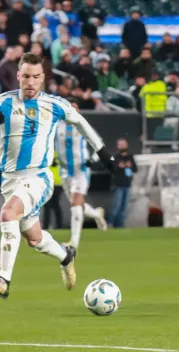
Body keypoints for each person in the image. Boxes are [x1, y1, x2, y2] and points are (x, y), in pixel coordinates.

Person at [0, 52, 115, 299]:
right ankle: (66, 256)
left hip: (39, 179)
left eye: (36, 77)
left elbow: (81, 123)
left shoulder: (54, 105)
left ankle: (3, 279)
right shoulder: (4, 103)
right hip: (8, 181)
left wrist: (103, 152)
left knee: (7, 214)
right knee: (33, 238)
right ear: (18, 76)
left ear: (43, 78)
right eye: (26, 76)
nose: (30, 82)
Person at [55, 99, 108, 250]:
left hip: (81, 169)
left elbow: (98, 142)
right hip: (64, 171)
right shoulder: (56, 126)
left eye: (75, 108)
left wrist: (93, 159)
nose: (72, 111)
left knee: (76, 203)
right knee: (76, 205)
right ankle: (97, 214)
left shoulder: (82, 124)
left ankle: (74, 242)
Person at [108, 138, 137, 228]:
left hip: (127, 185)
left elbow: (135, 169)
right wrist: (121, 166)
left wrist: (130, 166)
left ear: (126, 145)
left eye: (123, 144)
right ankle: (109, 224)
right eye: (120, 144)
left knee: (123, 208)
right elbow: (113, 169)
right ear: (117, 146)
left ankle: (120, 226)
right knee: (116, 206)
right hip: (117, 185)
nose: (122, 146)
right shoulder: (115, 157)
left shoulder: (130, 157)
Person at [43, 151, 64, 229]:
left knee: (54, 205)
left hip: (56, 183)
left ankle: (58, 226)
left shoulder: (55, 153)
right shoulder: (51, 153)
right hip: (49, 183)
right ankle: (47, 227)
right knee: (48, 206)